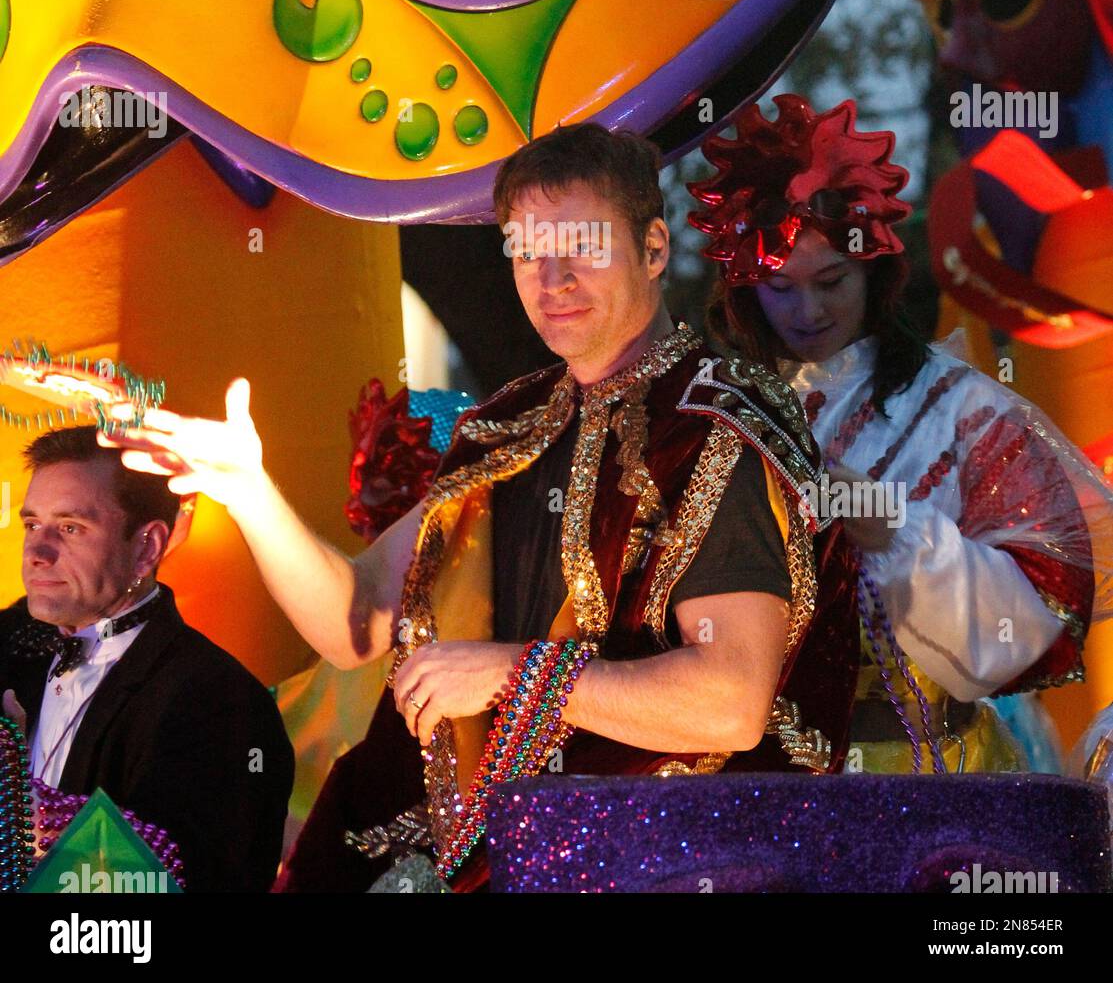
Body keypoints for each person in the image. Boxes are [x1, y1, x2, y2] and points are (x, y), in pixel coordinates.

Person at [99, 122, 861, 892]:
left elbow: (728, 701)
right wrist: (248, 488)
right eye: (527, 251)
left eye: (581, 246)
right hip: (480, 850)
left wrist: (508, 675)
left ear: (654, 249)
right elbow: (354, 622)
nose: (551, 278)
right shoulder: (513, 426)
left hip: (656, 861)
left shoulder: (713, 423)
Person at [689, 94, 1113, 773]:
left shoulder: (957, 406)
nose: (808, 310)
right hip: (751, 781)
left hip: (927, 776)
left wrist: (893, 531)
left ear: (873, 268)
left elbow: (1033, 618)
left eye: (831, 280)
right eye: (780, 289)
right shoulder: (710, 416)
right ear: (742, 289)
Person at [0, 425, 295, 890]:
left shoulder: (223, 703)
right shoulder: (9, 641)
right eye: (32, 524)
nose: (36, 550)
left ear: (146, 546)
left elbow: (194, 879)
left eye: (70, 528)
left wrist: (21, 803)